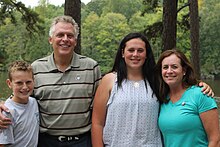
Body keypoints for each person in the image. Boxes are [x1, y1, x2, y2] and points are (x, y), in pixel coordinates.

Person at [91, 33, 214, 147]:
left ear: (146, 54)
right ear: (123, 53)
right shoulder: (110, 80)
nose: (135, 54)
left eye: (140, 50)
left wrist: (200, 85)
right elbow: (97, 123)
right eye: (131, 50)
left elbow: (178, 87)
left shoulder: (157, 81)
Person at [0, 15, 102, 147]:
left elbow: (100, 109)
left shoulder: (91, 67)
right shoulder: (36, 68)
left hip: (82, 141)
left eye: (70, 36)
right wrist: (3, 107)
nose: (65, 39)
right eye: (60, 35)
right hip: (46, 141)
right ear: (50, 39)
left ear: (75, 41)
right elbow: (22, 96)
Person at [155, 49, 220, 147]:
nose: (169, 71)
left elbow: (215, 140)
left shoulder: (201, 94)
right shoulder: (162, 99)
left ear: (184, 70)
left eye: (174, 67)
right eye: (165, 67)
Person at [0, 61, 39, 147]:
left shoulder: (34, 102)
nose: (25, 87)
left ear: (34, 81)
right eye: (19, 83)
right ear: (9, 83)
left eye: (28, 82)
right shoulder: (7, 112)